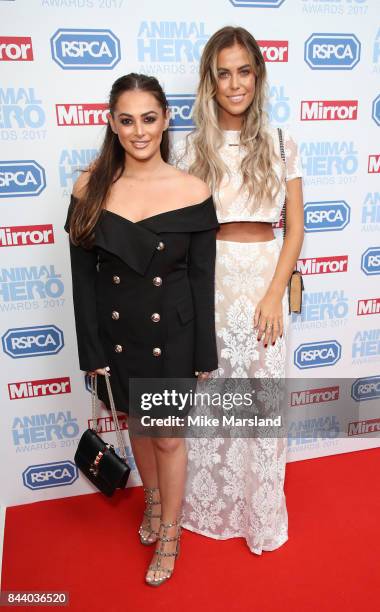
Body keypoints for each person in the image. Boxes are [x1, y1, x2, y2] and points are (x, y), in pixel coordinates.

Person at [64, 73, 218, 585]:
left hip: (174, 334)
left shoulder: (193, 190)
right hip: (117, 334)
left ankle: (170, 532)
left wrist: (203, 355)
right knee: (136, 423)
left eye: (148, 119)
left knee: (169, 439)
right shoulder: (90, 188)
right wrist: (92, 350)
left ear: (166, 120)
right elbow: (83, 280)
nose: (138, 131)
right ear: (111, 123)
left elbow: (201, 279)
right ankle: (151, 502)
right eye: (126, 120)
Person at [170, 27, 304, 554]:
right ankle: (207, 511)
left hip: (265, 278)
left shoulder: (279, 142)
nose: (234, 83)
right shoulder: (189, 148)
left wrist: (274, 294)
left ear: (258, 75)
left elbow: (294, 228)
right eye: (223, 73)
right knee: (210, 397)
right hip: (212, 280)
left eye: (244, 70)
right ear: (210, 80)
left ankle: (260, 517)